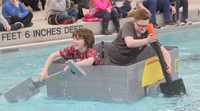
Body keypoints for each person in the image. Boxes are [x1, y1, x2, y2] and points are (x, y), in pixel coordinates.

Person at [101, 9, 172, 73]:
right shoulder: (128, 26)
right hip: (112, 58)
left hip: (128, 61)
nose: (143, 28)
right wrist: (147, 40)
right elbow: (129, 43)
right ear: (134, 22)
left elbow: (164, 51)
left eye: (146, 26)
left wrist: (168, 64)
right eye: (140, 25)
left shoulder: (148, 32)